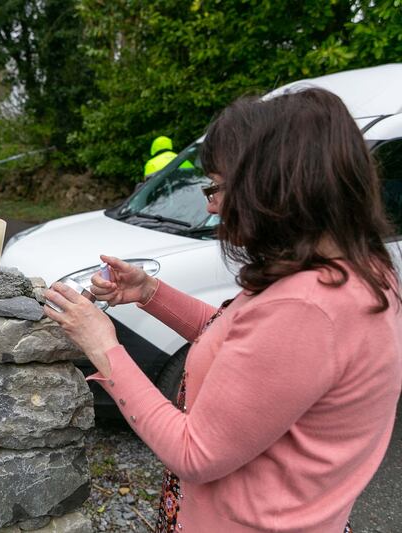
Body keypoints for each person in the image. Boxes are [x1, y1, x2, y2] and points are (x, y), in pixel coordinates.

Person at [44, 88, 402, 533]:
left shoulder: (309, 308)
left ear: (274, 184)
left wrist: (104, 346)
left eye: (217, 186)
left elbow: (194, 453)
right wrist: (150, 292)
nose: (210, 204)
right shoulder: (348, 270)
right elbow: (234, 340)